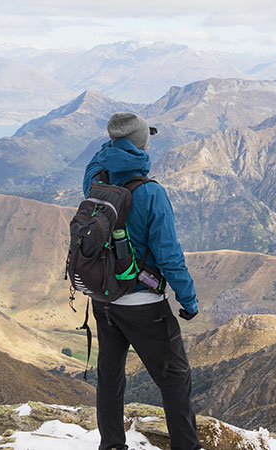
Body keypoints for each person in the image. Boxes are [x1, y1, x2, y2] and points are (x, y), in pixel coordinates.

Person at [83, 112, 201, 450]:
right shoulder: (151, 193)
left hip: (103, 299)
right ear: (141, 146)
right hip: (143, 305)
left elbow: (97, 158)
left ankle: (112, 445)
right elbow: (169, 256)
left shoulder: (95, 179)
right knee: (175, 379)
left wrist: (115, 143)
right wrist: (188, 300)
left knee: (110, 377)